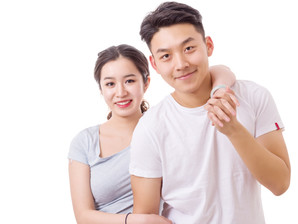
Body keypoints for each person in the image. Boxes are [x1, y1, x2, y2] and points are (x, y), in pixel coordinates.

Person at [129, 2, 291, 224]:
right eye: (166, 56)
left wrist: (234, 130)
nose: (181, 64)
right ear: (154, 64)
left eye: (189, 48)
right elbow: (146, 217)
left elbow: (280, 183)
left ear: (208, 46)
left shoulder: (254, 96)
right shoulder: (150, 128)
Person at [68, 44, 237, 224]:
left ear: (146, 83)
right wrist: (135, 221)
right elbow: (83, 216)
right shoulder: (86, 141)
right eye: (110, 84)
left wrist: (219, 90)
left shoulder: (162, 125)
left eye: (130, 81)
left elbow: (221, 70)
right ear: (101, 90)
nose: (121, 92)